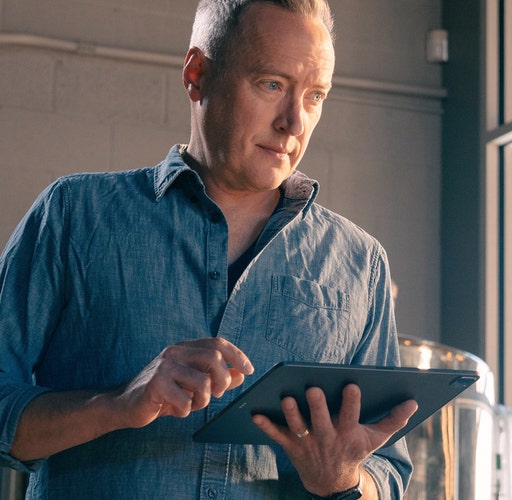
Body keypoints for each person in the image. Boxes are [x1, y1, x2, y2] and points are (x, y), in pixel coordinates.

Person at [0, 0, 418, 498]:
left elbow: (388, 472)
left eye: (314, 96)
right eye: (272, 85)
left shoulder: (359, 264)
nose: (294, 122)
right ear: (197, 75)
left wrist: (344, 480)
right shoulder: (74, 216)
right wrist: (117, 403)